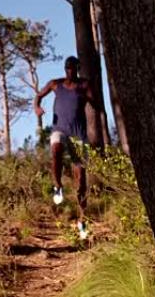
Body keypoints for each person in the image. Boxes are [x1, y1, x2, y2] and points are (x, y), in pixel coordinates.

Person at [34, 56, 96, 239]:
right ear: (65, 69)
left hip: (77, 134)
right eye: (67, 68)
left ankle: (82, 221)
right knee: (55, 148)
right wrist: (37, 107)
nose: (70, 71)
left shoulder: (84, 85)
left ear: (77, 68)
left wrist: (90, 96)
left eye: (73, 68)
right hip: (59, 129)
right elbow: (38, 95)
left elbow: (95, 102)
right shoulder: (55, 84)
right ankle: (57, 184)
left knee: (81, 179)